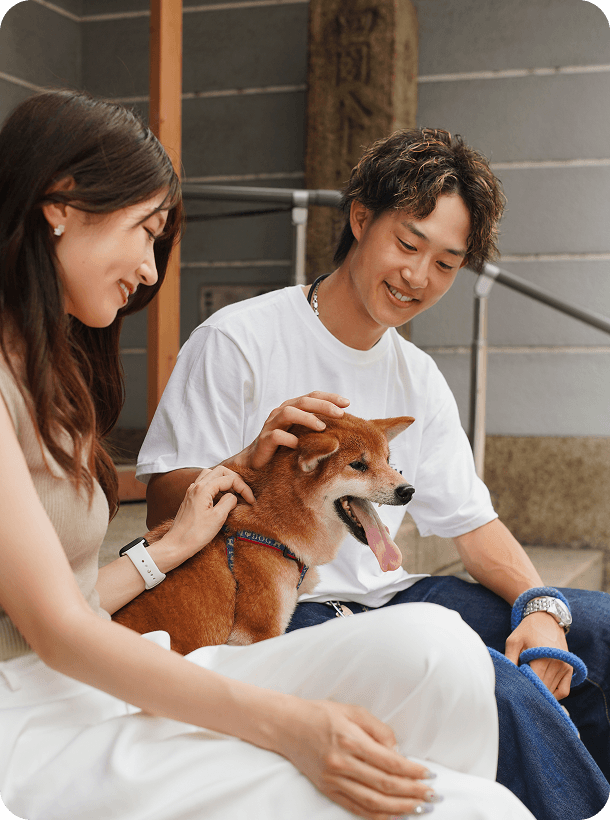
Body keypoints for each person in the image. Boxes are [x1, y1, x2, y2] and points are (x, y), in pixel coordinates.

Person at [0, 90, 536, 820]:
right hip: (36, 720)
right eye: (145, 230)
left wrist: (169, 547)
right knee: (477, 806)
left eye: (445, 262)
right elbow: (56, 632)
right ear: (59, 206)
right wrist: (286, 726)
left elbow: (69, 599)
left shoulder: (48, 378)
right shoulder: (234, 338)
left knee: (443, 645)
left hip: (89, 671)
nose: (153, 271)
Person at [139, 128, 610, 820]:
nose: (419, 277)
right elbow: (162, 493)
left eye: (447, 264)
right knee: (494, 686)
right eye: (408, 244)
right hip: (286, 611)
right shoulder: (238, 338)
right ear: (361, 218)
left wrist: (543, 607)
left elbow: (471, 523)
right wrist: (252, 464)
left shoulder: (417, 376)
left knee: (596, 627)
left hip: (395, 597)